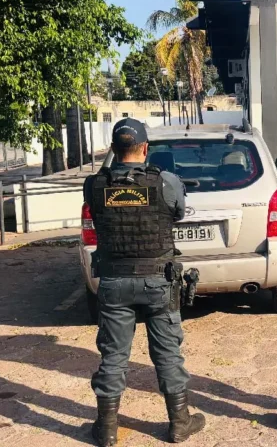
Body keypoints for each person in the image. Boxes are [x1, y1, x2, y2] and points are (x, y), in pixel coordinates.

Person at [83, 118, 204, 446]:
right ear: (146, 148)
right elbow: (178, 211)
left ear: (112, 149)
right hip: (158, 282)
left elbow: (96, 213)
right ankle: (179, 423)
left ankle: (107, 429)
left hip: (113, 281)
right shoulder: (165, 182)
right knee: (167, 353)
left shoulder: (94, 185)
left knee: (113, 355)